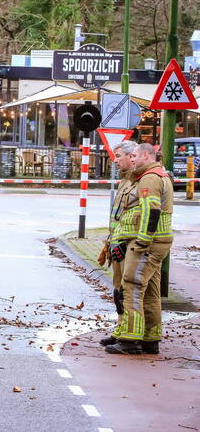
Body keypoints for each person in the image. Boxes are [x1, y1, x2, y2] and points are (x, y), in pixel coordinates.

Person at [106, 142, 174, 355]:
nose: (132, 159)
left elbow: (150, 211)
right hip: (156, 242)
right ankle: (150, 338)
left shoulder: (149, 178)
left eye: (134, 155)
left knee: (132, 286)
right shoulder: (156, 176)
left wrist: (142, 241)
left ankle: (130, 340)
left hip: (145, 243)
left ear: (146, 155)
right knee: (151, 290)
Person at [97, 139, 136, 347]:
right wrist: (111, 240)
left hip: (128, 244)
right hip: (118, 242)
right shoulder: (125, 180)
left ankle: (127, 332)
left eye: (118, 156)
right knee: (117, 290)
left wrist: (125, 240)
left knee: (126, 292)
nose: (115, 160)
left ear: (132, 157)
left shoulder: (138, 181)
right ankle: (120, 328)